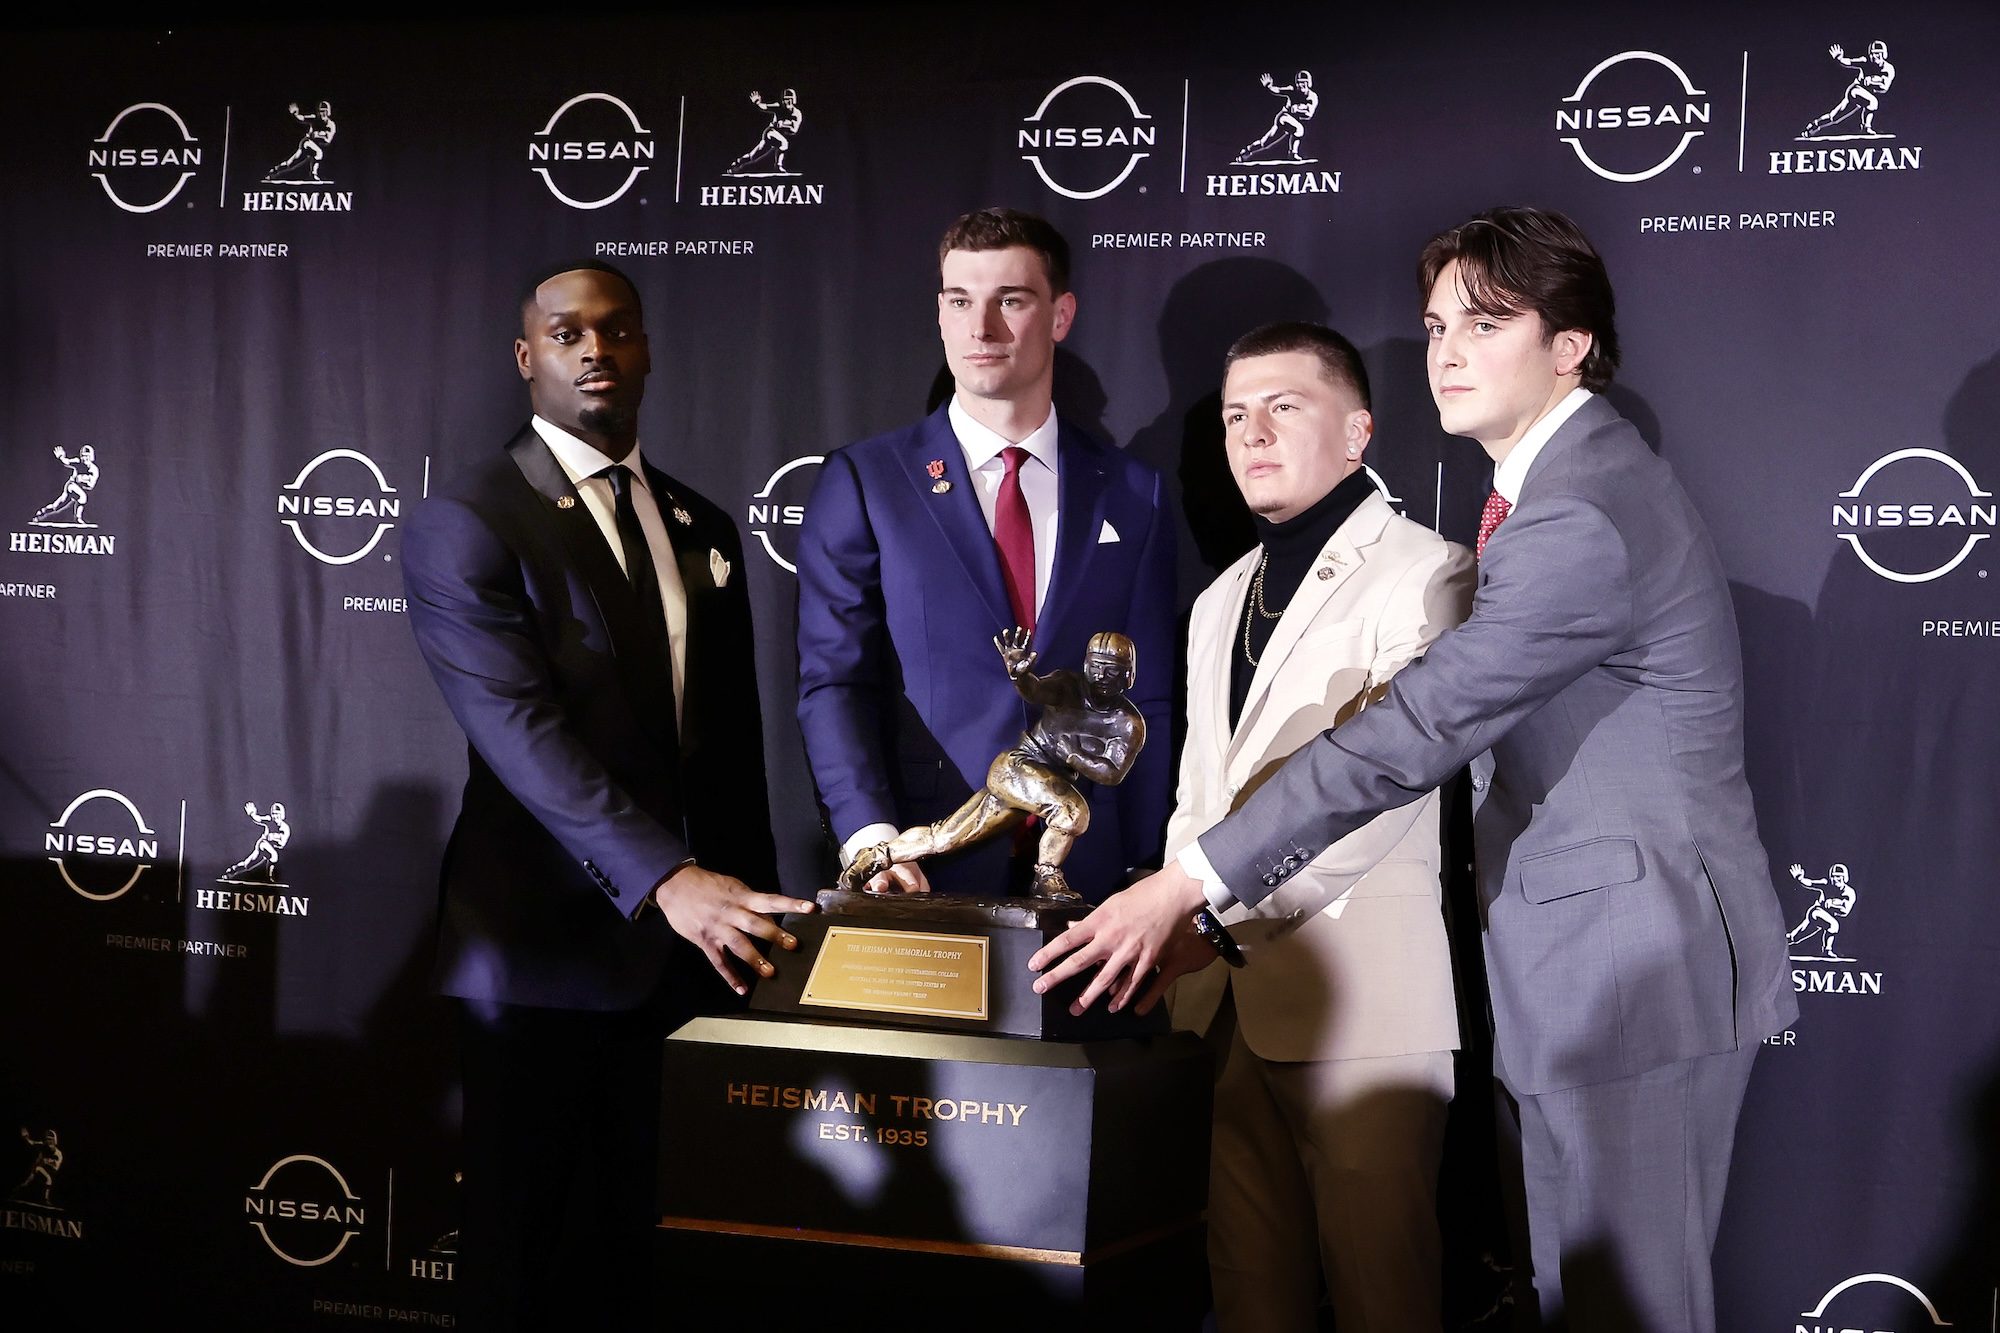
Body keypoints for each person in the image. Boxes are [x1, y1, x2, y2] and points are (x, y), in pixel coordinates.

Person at [1032, 207, 1796, 1333]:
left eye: (1483, 324)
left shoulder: (1580, 509)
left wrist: (1192, 879)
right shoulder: (1556, 490)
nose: (1446, 350)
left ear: (1568, 344)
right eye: (1436, 325)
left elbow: (1415, 729)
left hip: (1631, 973)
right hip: (1584, 972)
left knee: (1625, 1311)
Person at [402, 260, 812, 1331]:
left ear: (644, 348)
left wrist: (757, 935)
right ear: (526, 355)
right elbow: (522, 737)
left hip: (692, 962)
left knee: (656, 1262)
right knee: (523, 1266)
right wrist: (670, 879)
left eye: (616, 329)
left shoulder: (703, 524)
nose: (594, 349)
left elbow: (724, 756)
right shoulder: (469, 519)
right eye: (567, 331)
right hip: (539, 963)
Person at [1163, 322, 1473, 1331]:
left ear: (1357, 431)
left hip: (1364, 1022)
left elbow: (1377, 797)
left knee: (1385, 1303)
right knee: (1250, 1303)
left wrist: (1204, 915)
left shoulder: (1429, 571)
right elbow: (1195, 803)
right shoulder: (1216, 601)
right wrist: (1179, 942)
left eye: (1281, 407)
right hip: (1221, 1010)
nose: (1250, 433)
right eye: (1232, 415)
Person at [797, 207, 1175, 901]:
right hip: (921, 871)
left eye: (1011, 299)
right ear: (940, 314)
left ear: (1061, 315)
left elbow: (1147, 693)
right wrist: (870, 839)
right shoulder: (867, 481)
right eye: (960, 301)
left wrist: (1147, 864)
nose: (982, 328)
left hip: (1093, 887)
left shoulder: (1133, 491)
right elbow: (835, 683)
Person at [840, 629, 1145, 901]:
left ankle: (876, 857)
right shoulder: (1069, 685)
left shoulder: (1127, 724)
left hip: (1042, 783)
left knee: (945, 837)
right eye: (1096, 666)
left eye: (1112, 671)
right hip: (1016, 766)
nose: (1102, 676)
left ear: (1128, 676)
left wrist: (1071, 754)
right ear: (1085, 665)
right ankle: (1047, 876)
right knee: (1071, 813)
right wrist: (1020, 675)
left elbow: (1112, 773)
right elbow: (1036, 690)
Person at [1802, 42, 1894, 138]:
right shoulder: (1865, 62)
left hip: (1865, 95)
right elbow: (1849, 62)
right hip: (1856, 90)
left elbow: (1884, 87)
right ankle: (1866, 127)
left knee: (1834, 117)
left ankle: (1814, 125)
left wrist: (1873, 81)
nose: (1875, 56)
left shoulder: (1889, 69)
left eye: (1878, 53)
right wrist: (1839, 58)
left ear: (1884, 54)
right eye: (1873, 53)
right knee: (1873, 102)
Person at [1235, 70, 1318, 164]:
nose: (1300, 84)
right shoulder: (1292, 90)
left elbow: (1309, 115)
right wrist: (1269, 86)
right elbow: (1278, 90)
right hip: (1284, 117)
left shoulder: (1312, 97)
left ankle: (1247, 151)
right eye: (1298, 82)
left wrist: (1299, 109)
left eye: (1303, 82)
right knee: (1299, 129)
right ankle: (1292, 153)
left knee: (1265, 143)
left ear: (1309, 82)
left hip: (1292, 121)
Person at [725, 89, 803, 176]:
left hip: (777, 137)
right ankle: (778, 166)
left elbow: (794, 130)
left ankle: (736, 164)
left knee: (753, 156)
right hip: (771, 132)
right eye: (785, 99)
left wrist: (784, 124)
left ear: (794, 100)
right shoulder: (779, 107)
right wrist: (758, 103)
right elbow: (765, 107)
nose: (787, 101)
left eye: (789, 99)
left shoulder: (797, 114)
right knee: (784, 143)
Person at [220, 801, 290, 883]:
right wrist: (252, 814)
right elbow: (259, 819)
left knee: (250, 864)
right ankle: (231, 872)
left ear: (282, 815)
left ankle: (234, 870)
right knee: (269, 856)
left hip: (275, 850)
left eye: (277, 814)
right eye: (273, 814)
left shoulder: (285, 828)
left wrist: (275, 837)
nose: (275, 816)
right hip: (263, 845)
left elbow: (282, 843)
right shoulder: (269, 820)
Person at [267, 101, 336, 182]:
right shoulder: (314, 119)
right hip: (307, 143)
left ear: (328, 112)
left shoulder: (331, 125)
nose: (322, 114)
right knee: (318, 153)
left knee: (291, 164)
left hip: (315, 145)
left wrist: (318, 135)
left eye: (324, 111)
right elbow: (303, 118)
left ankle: (274, 171)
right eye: (320, 111)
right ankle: (313, 174)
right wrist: (295, 114)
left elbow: (328, 140)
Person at [32, 445, 98, 525]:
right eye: (83, 456)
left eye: (87, 456)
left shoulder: (94, 470)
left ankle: (41, 513)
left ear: (91, 456)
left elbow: (91, 486)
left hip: (80, 488)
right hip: (71, 485)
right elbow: (67, 462)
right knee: (82, 497)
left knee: (57, 506)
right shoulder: (78, 462)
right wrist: (61, 457)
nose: (85, 458)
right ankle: (78, 518)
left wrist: (83, 480)